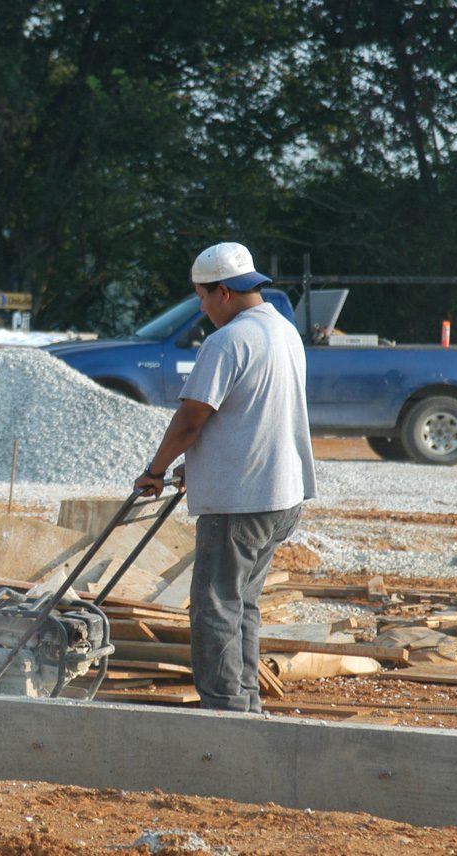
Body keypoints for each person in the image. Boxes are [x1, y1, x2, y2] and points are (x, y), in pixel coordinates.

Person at [134, 242, 315, 712]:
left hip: (241, 501)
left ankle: (224, 713)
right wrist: (199, 466)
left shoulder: (227, 341)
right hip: (282, 495)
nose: (201, 307)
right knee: (242, 605)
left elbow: (192, 418)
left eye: (202, 297)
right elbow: (253, 415)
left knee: (214, 608)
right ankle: (246, 705)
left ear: (225, 293)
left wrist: (154, 472)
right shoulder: (282, 331)